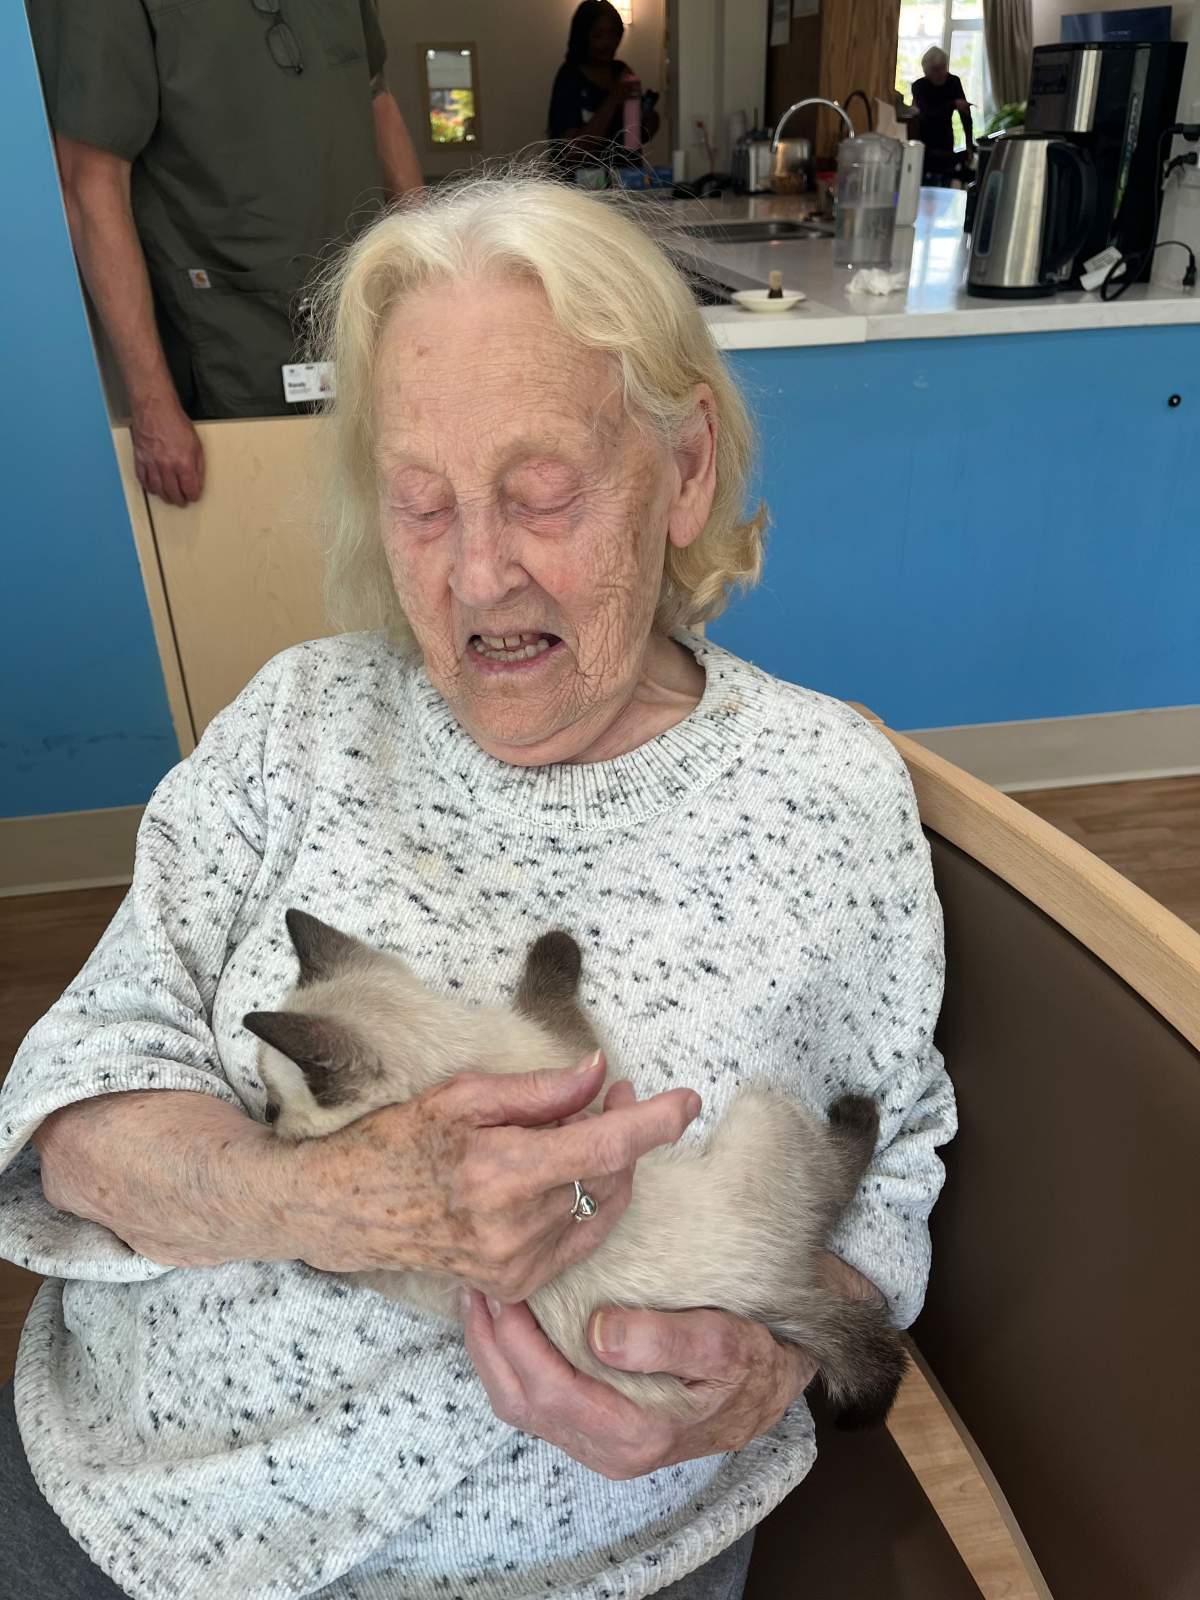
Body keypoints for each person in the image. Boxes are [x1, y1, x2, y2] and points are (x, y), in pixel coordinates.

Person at [0, 176, 957, 1600]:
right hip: (120, 1502)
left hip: (565, 1561)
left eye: (543, 492)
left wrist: (762, 1375)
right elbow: (70, 1106)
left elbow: (893, 1166)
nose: (478, 571)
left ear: (686, 468)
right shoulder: (297, 720)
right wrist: (319, 1200)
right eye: (422, 504)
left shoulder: (823, 791)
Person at [28, 0, 425, 508]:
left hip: (367, 311)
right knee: (262, 554)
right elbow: (89, 180)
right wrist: (150, 402)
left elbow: (375, 97)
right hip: (229, 338)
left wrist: (431, 278)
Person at [547, 0, 661, 176]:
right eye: (598, 36)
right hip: (583, 183)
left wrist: (648, 119)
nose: (608, 43)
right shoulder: (570, 77)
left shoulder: (621, 71)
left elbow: (633, 141)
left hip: (625, 180)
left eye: (613, 34)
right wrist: (614, 98)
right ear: (583, 37)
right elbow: (574, 151)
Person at [911, 46, 975, 181]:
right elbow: (928, 114)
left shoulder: (953, 82)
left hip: (946, 139)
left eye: (943, 68)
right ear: (926, 71)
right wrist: (953, 104)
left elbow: (965, 115)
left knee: (947, 180)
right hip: (925, 142)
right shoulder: (919, 86)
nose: (941, 73)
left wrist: (969, 144)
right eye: (936, 70)